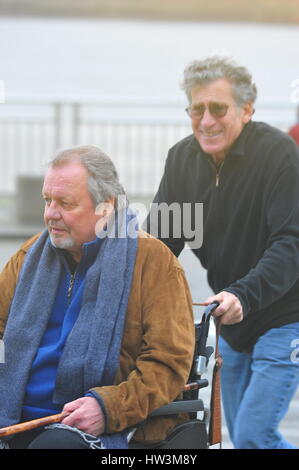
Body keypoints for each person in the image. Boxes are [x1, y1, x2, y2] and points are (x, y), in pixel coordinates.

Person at [144, 55, 299, 449]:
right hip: (231, 321)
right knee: (237, 437)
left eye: (218, 108)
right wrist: (122, 282)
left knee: (251, 434)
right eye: (197, 109)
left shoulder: (279, 155)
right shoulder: (183, 159)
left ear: (247, 110)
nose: (206, 120)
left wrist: (244, 294)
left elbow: (291, 243)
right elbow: (161, 242)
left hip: (286, 316)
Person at [0, 145, 195, 449]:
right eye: (47, 200)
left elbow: (168, 365)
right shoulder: (29, 256)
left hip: (102, 428)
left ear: (106, 206)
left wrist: (109, 408)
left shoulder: (154, 262)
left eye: (65, 203)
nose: (51, 214)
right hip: (15, 417)